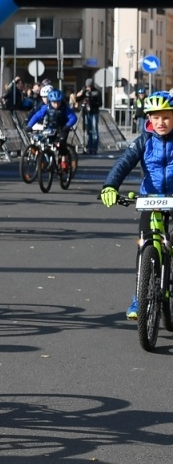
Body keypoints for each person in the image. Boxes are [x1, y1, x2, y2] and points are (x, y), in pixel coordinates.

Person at [102, 93, 173, 319]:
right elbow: (124, 162)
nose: (161, 122)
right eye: (155, 117)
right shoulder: (144, 140)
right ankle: (138, 297)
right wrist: (110, 186)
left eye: (166, 117)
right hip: (150, 199)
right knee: (144, 247)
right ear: (149, 118)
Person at [27, 88, 79, 170]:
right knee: (45, 142)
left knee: (61, 143)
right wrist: (29, 125)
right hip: (50, 128)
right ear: (50, 101)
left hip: (63, 128)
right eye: (54, 102)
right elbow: (37, 116)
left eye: (58, 102)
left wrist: (67, 126)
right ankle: (44, 160)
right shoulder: (46, 108)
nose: (56, 105)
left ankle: (63, 161)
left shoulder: (65, 108)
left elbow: (73, 118)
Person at [77, 78, 104, 155]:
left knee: (94, 130)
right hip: (86, 113)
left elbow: (100, 103)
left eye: (89, 86)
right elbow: (78, 99)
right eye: (87, 86)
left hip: (94, 112)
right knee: (88, 131)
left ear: (92, 86)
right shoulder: (85, 91)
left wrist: (91, 101)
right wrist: (80, 94)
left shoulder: (97, 92)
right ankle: (89, 147)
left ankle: (94, 148)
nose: (88, 88)